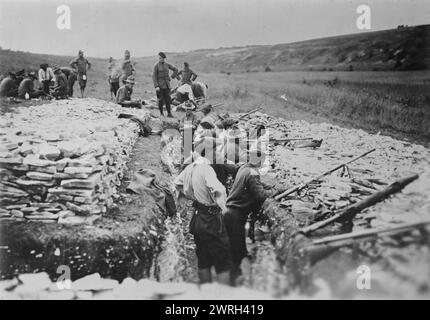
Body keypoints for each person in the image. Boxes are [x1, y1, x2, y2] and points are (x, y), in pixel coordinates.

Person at [174, 137, 232, 285]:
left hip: (197, 217)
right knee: (223, 262)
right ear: (209, 152)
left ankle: (206, 293)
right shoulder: (207, 169)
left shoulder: (191, 167)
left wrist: (192, 196)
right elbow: (218, 190)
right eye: (215, 150)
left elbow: (177, 183)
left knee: (203, 260)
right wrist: (224, 210)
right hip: (211, 220)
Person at [224, 146, 279, 285]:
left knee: (236, 247)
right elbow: (260, 195)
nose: (262, 163)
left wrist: (269, 187)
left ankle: (236, 275)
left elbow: (256, 186)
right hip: (236, 215)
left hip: (230, 213)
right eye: (262, 160)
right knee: (237, 251)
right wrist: (274, 192)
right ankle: (234, 281)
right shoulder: (253, 173)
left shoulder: (244, 168)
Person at [152, 52, 178, 118]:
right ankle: (161, 113)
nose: (160, 59)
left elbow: (176, 70)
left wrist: (171, 77)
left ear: (164, 58)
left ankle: (169, 113)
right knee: (160, 100)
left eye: (161, 58)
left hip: (167, 85)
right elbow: (154, 76)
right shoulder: (156, 65)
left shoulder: (167, 65)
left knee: (168, 100)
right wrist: (156, 86)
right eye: (159, 58)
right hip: (160, 86)